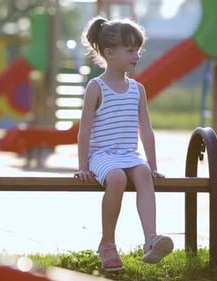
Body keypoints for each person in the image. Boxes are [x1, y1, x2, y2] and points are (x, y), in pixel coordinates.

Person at [74, 16, 173, 272]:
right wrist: (83, 165)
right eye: (130, 50)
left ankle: (151, 239)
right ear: (109, 53)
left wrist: (152, 164)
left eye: (137, 50)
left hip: (128, 153)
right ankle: (107, 243)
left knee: (142, 174)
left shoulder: (137, 89)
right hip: (102, 155)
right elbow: (84, 131)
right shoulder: (96, 87)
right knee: (116, 178)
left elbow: (146, 130)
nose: (136, 56)